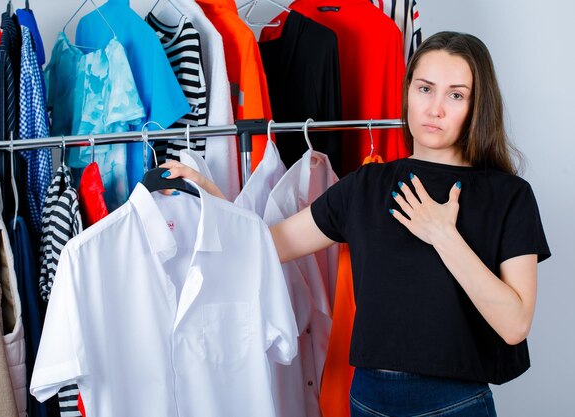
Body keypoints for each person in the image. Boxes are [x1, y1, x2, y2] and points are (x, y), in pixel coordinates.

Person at [160, 31, 551, 416]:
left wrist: (443, 235)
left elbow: (515, 324)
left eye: (456, 95)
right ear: (407, 93)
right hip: (369, 400)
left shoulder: (508, 196)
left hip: (453, 403)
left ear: (476, 106)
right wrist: (211, 194)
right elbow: (267, 246)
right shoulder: (366, 186)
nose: (435, 109)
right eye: (425, 89)